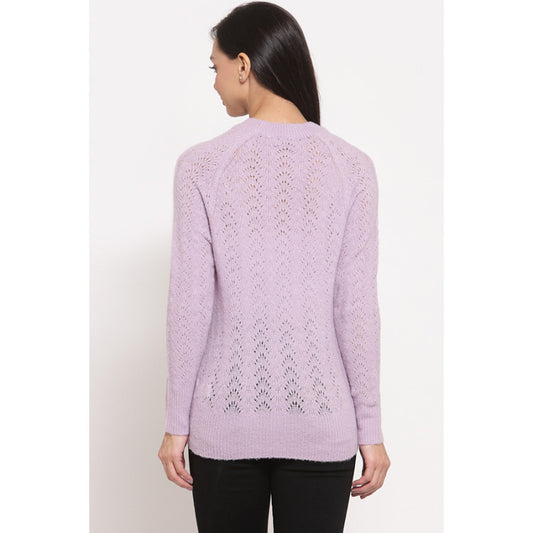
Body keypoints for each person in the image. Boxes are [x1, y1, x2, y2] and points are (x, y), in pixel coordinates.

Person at [158, 2, 391, 531]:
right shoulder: (353, 167)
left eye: (216, 67)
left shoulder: (201, 165)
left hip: (223, 424)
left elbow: (189, 304)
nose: (215, 82)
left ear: (243, 65)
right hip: (324, 424)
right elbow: (356, 308)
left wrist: (176, 423)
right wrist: (370, 429)